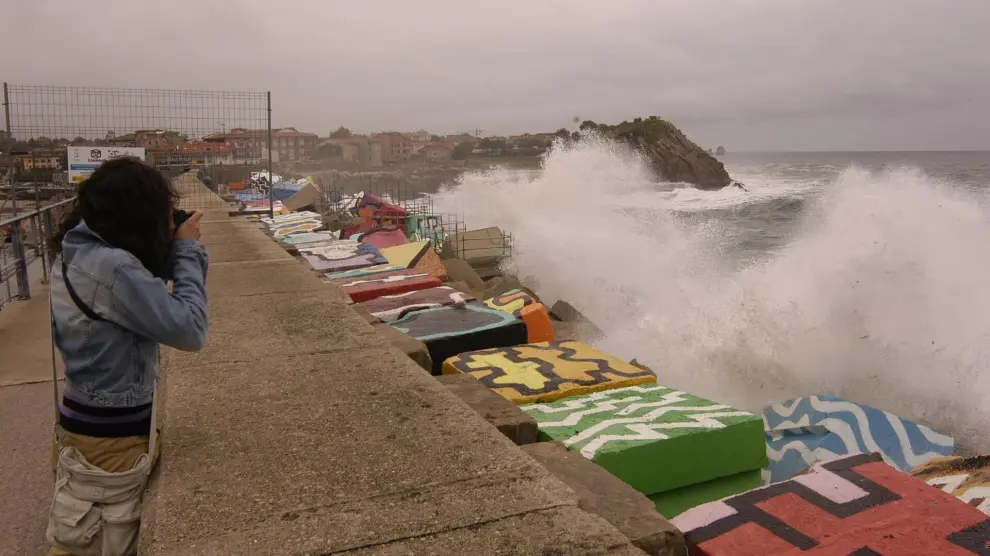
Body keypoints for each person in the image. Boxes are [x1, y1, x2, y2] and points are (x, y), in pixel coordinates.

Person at [46, 157, 208, 555]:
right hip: (112, 448)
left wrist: (168, 245)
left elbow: (138, 290)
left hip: (84, 430)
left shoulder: (77, 252)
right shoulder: (113, 268)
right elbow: (189, 329)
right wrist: (186, 249)